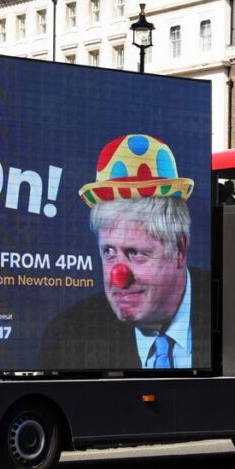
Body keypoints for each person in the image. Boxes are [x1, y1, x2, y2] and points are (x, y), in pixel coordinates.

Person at [40, 134, 209, 370]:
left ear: (179, 250)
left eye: (136, 253)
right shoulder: (67, 335)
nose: (118, 276)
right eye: (109, 251)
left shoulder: (228, 309)